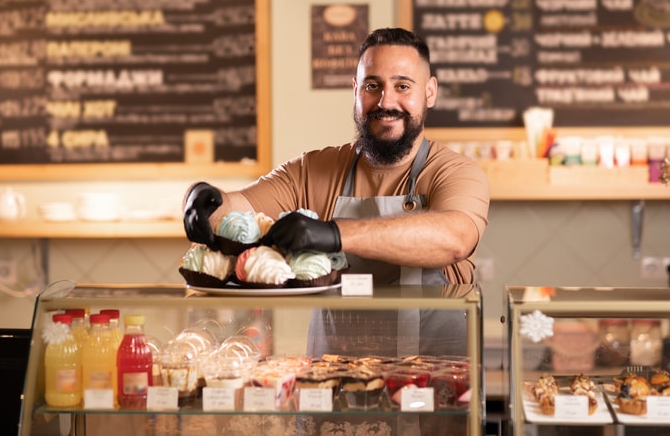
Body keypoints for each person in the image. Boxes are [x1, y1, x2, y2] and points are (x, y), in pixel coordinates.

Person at [183, 27, 489, 356]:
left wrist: (333, 233)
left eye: (402, 86)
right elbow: (236, 208)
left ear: (430, 92)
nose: (386, 101)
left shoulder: (456, 172)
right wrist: (202, 198)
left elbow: (453, 238)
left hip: (434, 385)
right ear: (356, 91)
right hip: (333, 386)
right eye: (373, 86)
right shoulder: (315, 169)